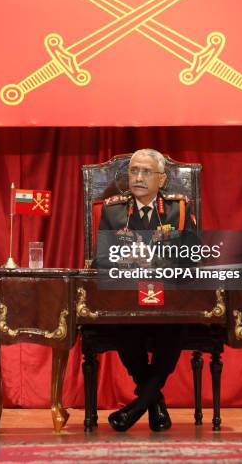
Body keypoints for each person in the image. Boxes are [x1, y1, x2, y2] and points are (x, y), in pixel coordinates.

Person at [92, 148, 197, 432]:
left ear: (161, 179)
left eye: (146, 172)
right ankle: (153, 403)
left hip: (169, 300)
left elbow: (193, 256)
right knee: (124, 327)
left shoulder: (180, 208)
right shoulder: (113, 211)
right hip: (128, 299)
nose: (137, 177)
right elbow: (100, 259)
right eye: (134, 171)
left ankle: (137, 407)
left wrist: (149, 259)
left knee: (175, 327)